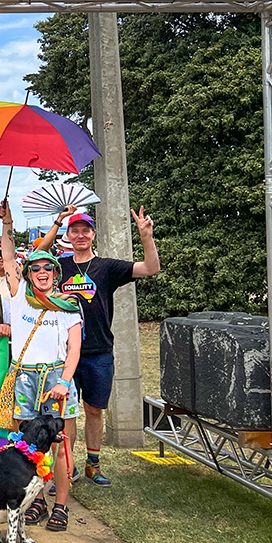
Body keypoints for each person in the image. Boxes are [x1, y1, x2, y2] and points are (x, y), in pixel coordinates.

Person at [36, 206, 160, 487]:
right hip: (64, 353)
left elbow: (151, 268)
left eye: (85, 230)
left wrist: (146, 237)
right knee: (67, 413)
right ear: (68, 235)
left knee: (94, 410)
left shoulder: (107, 267)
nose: (80, 235)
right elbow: (35, 257)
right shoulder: (59, 267)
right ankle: (66, 468)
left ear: (93, 234)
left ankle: (93, 464)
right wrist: (57, 222)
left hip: (99, 351)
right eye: (74, 230)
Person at [2, 202, 82, 532]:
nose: (42, 272)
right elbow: (9, 256)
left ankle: (60, 505)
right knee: (26, 447)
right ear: (29, 274)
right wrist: (7, 222)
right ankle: (36, 501)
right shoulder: (19, 296)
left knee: (60, 448)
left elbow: (74, 347)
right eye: (36, 269)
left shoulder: (67, 305)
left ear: (56, 272)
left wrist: (64, 380)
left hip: (55, 377)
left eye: (48, 268)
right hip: (24, 378)